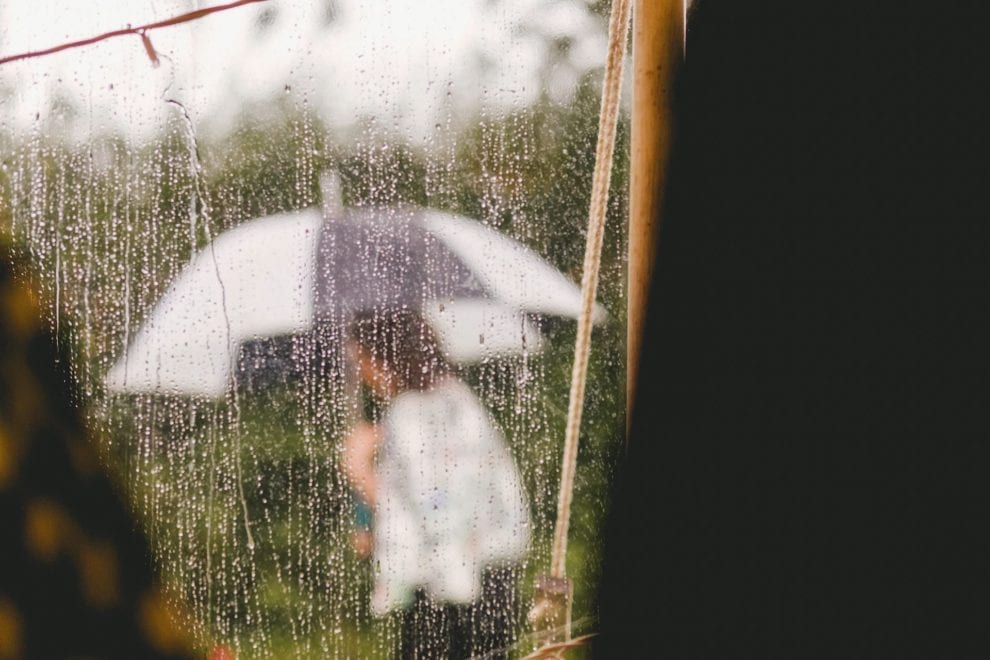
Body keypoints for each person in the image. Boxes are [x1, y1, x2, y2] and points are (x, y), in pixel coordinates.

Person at [341, 309, 530, 659]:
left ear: (383, 355)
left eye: (361, 359)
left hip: (452, 587)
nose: (363, 373)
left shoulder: (410, 413)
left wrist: (358, 469)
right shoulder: (456, 399)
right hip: (487, 576)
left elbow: (436, 509)